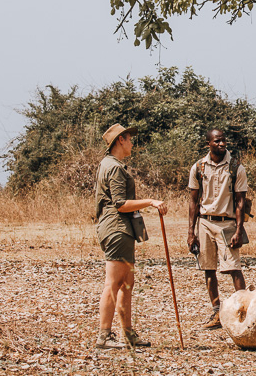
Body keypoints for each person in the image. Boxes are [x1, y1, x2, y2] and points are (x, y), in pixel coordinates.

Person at [95, 123, 168, 349]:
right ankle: (104, 336)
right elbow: (120, 204)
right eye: (129, 138)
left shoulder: (111, 164)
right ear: (120, 140)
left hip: (122, 229)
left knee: (127, 283)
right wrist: (151, 202)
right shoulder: (114, 167)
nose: (132, 143)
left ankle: (128, 333)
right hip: (116, 228)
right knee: (114, 283)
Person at [187, 128, 249, 330]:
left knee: (234, 268)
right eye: (217, 141)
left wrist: (239, 230)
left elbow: (241, 202)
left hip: (227, 223)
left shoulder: (236, 168)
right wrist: (191, 232)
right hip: (204, 222)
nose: (222, 144)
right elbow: (193, 201)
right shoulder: (198, 167)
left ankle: (243, 311)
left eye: (223, 141)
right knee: (208, 268)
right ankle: (216, 313)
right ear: (209, 144)